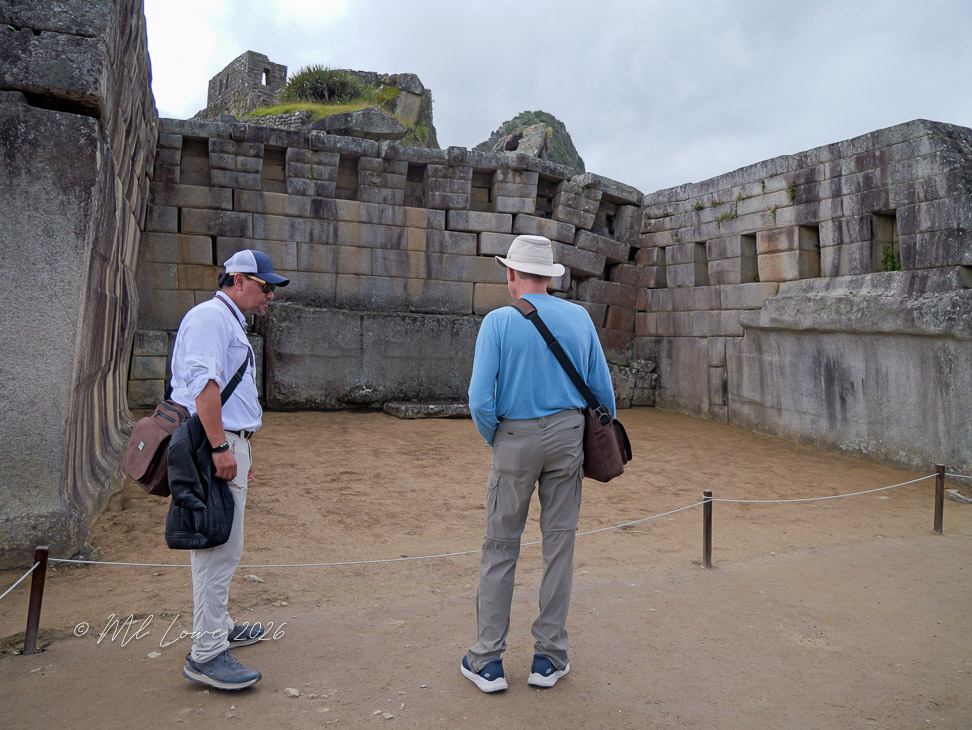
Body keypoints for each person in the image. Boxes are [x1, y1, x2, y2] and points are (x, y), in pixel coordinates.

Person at [462, 235, 616, 692]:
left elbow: (478, 399)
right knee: (559, 547)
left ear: (511, 274)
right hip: (568, 436)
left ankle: (488, 658)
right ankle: (548, 657)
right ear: (549, 276)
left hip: (514, 435)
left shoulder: (498, 322)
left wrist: (500, 437)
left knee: (500, 547)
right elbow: (602, 391)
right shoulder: (579, 317)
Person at [169, 249, 289, 691]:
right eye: (265, 287)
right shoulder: (211, 318)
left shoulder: (223, 319)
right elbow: (204, 385)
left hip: (226, 443)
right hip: (213, 442)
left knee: (222, 544)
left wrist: (238, 452)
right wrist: (222, 447)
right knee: (218, 548)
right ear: (238, 281)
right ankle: (206, 652)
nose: (269, 296)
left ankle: (218, 627)